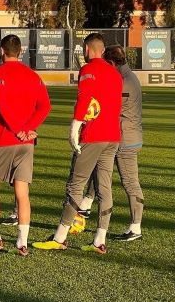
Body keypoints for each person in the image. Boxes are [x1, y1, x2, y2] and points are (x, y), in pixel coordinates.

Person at [34, 33, 122, 254]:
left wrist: (75, 125)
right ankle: (99, 240)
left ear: (86, 49)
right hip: (113, 136)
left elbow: (85, 97)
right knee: (104, 188)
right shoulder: (115, 72)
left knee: (76, 184)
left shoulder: (88, 69)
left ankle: (60, 237)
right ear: (103, 50)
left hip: (93, 135)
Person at [0, 34, 51, 256]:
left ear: (1, 51)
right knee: (22, 191)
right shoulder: (33, 75)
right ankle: (22, 242)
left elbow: (2, 105)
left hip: (3, 138)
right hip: (26, 141)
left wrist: (18, 130)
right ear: (21, 51)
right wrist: (29, 128)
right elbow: (45, 106)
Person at [77, 44, 145, 241]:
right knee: (100, 170)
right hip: (123, 135)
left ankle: (136, 227)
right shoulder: (127, 77)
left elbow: (108, 106)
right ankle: (86, 204)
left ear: (111, 62)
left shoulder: (124, 81)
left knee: (130, 182)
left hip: (125, 139)